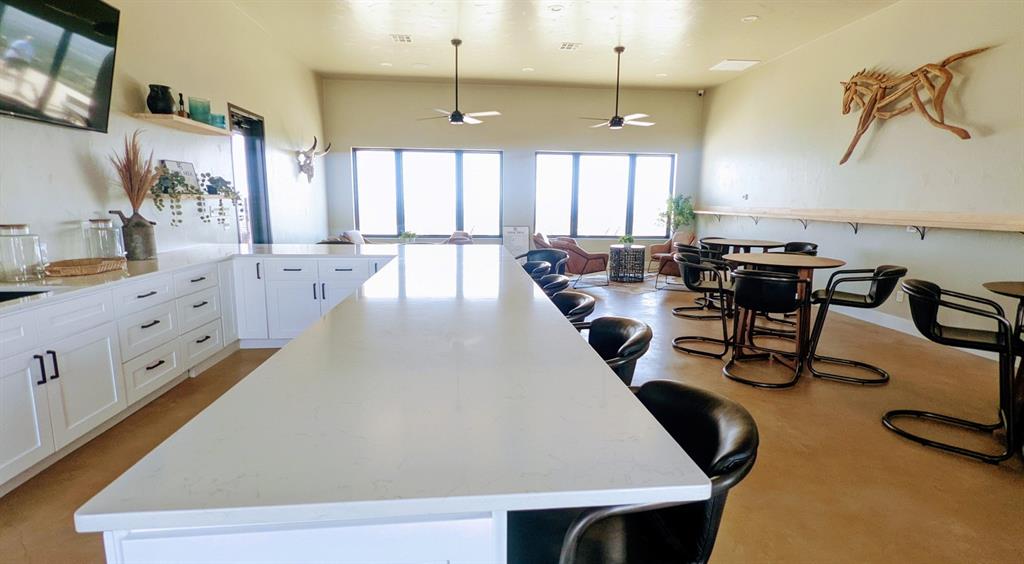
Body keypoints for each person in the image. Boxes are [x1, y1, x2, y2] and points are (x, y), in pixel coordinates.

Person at [2, 35, 36, 101]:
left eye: (30, 39)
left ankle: (17, 89)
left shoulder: (29, 47)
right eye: (29, 39)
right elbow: (13, 49)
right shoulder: (19, 42)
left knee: (20, 75)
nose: (29, 40)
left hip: (17, 60)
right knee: (6, 69)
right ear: (26, 38)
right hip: (14, 59)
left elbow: (29, 57)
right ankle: (17, 89)